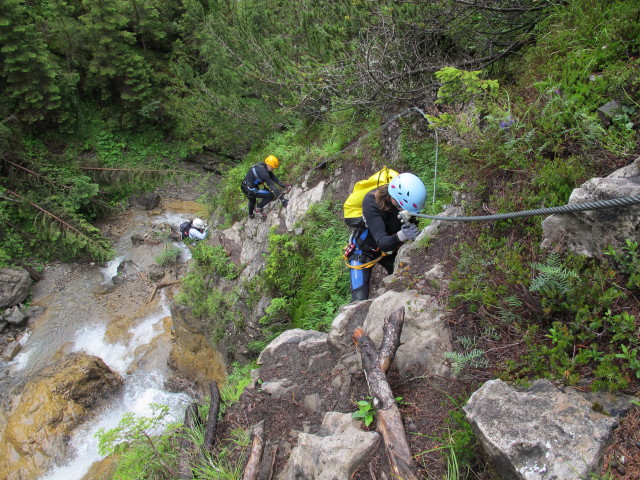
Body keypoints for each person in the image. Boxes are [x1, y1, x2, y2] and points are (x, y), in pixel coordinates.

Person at [347, 172, 427, 302]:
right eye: (403, 209)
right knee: (358, 299)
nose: (408, 213)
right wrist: (402, 235)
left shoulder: (408, 205)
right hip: (363, 250)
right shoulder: (371, 201)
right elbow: (382, 242)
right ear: (394, 200)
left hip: (391, 251)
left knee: (403, 286)